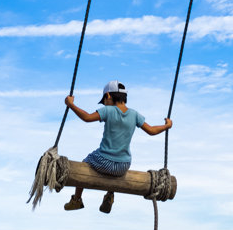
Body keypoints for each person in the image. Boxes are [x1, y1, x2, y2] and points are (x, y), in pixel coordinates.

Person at [63, 81, 173, 213]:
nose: (104, 104)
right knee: (115, 169)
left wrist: (71, 104)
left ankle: (77, 200)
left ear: (108, 96)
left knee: (84, 163)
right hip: (123, 165)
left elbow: (86, 117)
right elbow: (151, 131)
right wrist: (166, 126)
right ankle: (109, 194)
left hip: (103, 162)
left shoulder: (108, 110)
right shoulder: (134, 114)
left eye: (104, 101)